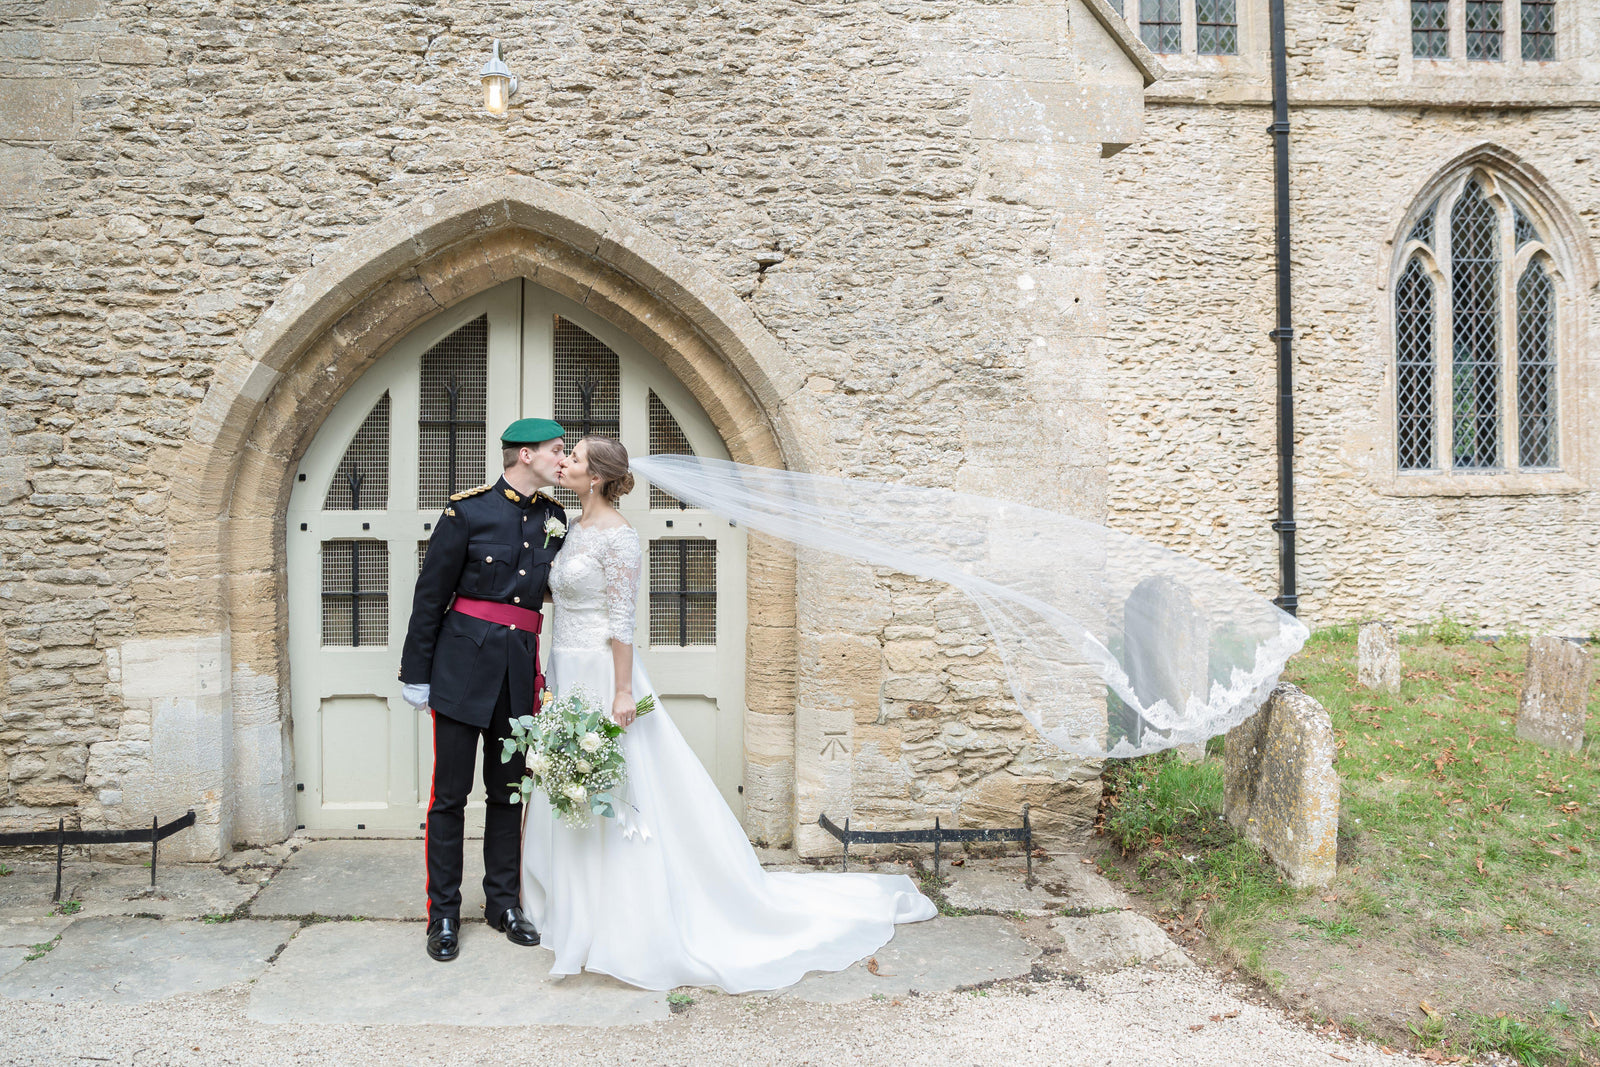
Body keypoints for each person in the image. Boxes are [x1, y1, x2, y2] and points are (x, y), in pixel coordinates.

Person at [519, 436, 936, 993]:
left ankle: (624, 916)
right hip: (566, 669)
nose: (562, 461)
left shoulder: (621, 537)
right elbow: (564, 596)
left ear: (596, 476)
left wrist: (622, 693)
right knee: (573, 782)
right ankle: (574, 905)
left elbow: (622, 621)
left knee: (616, 781)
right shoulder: (570, 528)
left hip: (602, 675)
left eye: (572, 457)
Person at [399, 418, 569, 963]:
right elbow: (430, 597)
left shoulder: (554, 516)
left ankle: (503, 904)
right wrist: (416, 673)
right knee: (450, 797)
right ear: (523, 455)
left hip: (518, 672)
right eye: (555, 451)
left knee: (506, 793)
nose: (562, 460)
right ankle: (443, 914)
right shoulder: (466, 511)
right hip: (459, 667)